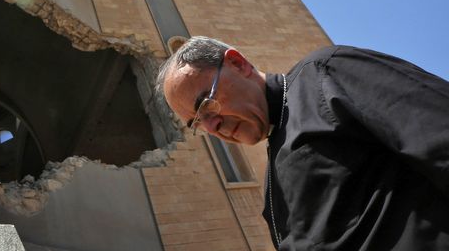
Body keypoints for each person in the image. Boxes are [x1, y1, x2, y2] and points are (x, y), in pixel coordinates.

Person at [156, 36, 449, 250]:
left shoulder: (327, 73)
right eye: (197, 122)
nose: (211, 126)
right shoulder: (273, 180)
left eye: (206, 105)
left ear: (237, 63)